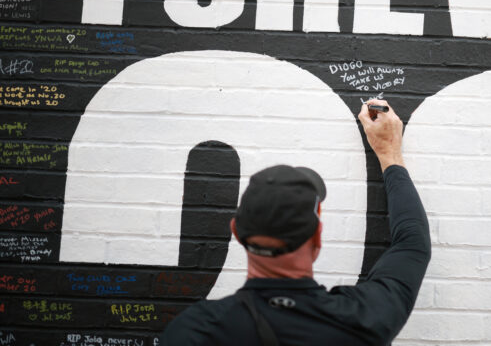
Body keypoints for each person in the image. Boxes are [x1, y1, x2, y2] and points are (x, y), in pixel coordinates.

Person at [160, 100, 431, 345]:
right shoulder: (363, 319)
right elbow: (412, 242)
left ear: (236, 232)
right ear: (317, 236)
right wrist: (389, 153)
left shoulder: (194, 331)